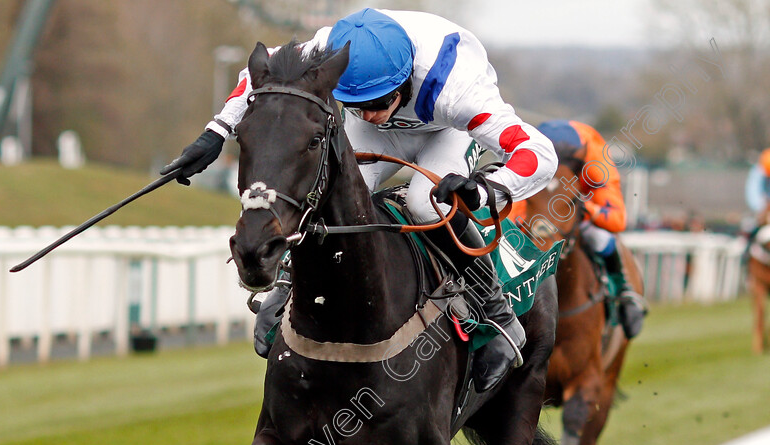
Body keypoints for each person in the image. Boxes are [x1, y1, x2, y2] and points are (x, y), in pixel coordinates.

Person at [161, 8, 558, 392]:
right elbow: (256, 76)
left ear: (403, 83)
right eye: (356, 105)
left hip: (444, 131)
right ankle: (288, 283)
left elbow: (540, 154)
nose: (367, 116)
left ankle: (497, 313)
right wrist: (215, 133)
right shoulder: (327, 48)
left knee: (424, 202)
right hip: (398, 120)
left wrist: (488, 188)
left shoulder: (459, 90)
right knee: (335, 194)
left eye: (376, 103)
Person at [518, 119, 646, 339]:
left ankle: (624, 291)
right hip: (539, 204)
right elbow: (514, 207)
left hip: (578, 204)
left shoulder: (596, 158)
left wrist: (584, 207)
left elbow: (617, 220)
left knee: (600, 238)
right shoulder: (524, 151)